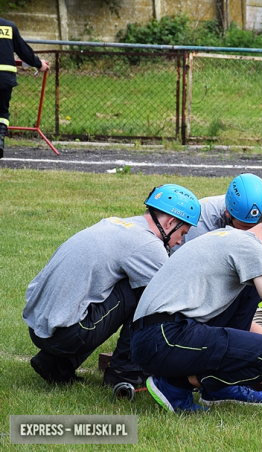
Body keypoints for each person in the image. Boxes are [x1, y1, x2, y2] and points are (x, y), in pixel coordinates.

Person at [131, 194, 262, 413]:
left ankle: (218, 390)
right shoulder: (254, 251)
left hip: (154, 336)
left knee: (252, 299)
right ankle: (173, 386)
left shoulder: (230, 238)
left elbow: (242, 325)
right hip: (163, 338)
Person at [23, 184, 200, 386]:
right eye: (183, 233)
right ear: (170, 223)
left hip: (37, 328)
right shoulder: (149, 245)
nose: (179, 242)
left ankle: (54, 364)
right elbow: (169, 300)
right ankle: (125, 372)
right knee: (146, 294)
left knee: (106, 292)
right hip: (65, 336)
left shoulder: (116, 224)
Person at [176, 173, 262, 335]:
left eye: (255, 225)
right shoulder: (199, 225)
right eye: (244, 226)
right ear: (228, 214)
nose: (252, 233)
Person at [0, 17, 50, 158]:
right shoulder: (9, 27)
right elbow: (23, 50)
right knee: (2, 112)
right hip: (5, 78)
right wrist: (39, 64)